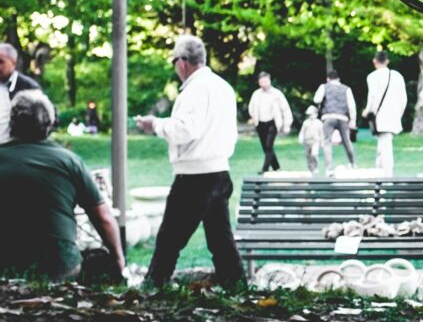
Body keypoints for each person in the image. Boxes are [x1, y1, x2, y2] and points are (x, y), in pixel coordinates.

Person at [137, 34, 243, 290]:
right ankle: (237, 286)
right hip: (219, 171)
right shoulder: (223, 87)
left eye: (175, 61)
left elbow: (187, 130)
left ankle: (153, 286)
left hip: (195, 175)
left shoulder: (196, 89)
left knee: (169, 238)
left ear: (183, 62)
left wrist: (156, 125)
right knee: (220, 240)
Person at [0, 90, 124, 281]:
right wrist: (118, 259)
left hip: (6, 267)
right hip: (59, 267)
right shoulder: (69, 161)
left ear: (11, 122)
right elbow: (103, 217)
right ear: (49, 123)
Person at [363, 50, 408, 175]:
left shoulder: (372, 77)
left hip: (380, 117)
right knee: (382, 146)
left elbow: (372, 97)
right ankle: (379, 174)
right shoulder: (397, 76)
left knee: (385, 148)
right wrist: (398, 114)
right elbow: (403, 98)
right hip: (393, 115)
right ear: (387, 61)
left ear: (374, 61)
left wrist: (368, 111)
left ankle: (387, 176)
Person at [248, 72, 294, 173]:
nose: (263, 83)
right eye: (261, 81)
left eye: (265, 81)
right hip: (260, 123)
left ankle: (265, 169)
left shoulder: (277, 94)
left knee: (269, 146)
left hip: (273, 123)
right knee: (266, 147)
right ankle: (277, 168)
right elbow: (251, 107)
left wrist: (287, 124)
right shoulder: (256, 94)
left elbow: (285, 109)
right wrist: (254, 117)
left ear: (269, 81)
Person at [0, 42, 44, 144]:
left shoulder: (29, 87)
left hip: (17, 148)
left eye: (1, 62)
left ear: (13, 63)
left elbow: (42, 121)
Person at [314, 69, 356, 170]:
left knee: (327, 143)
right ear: (338, 79)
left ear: (327, 79)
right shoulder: (346, 89)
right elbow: (352, 106)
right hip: (342, 117)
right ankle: (353, 163)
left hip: (328, 117)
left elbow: (316, 99)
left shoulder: (324, 86)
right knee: (347, 142)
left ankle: (329, 169)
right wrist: (353, 120)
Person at [297, 104, 324, 175]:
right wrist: (300, 138)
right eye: (309, 115)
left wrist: (322, 142)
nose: (310, 116)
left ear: (316, 114)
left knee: (314, 154)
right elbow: (302, 132)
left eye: (312, 114)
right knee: (308, 156)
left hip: (315, 141)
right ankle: (310, 169)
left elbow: (321, 134)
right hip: (307, 141)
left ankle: (316, 167)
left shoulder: (319, 123)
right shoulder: (306, 123)